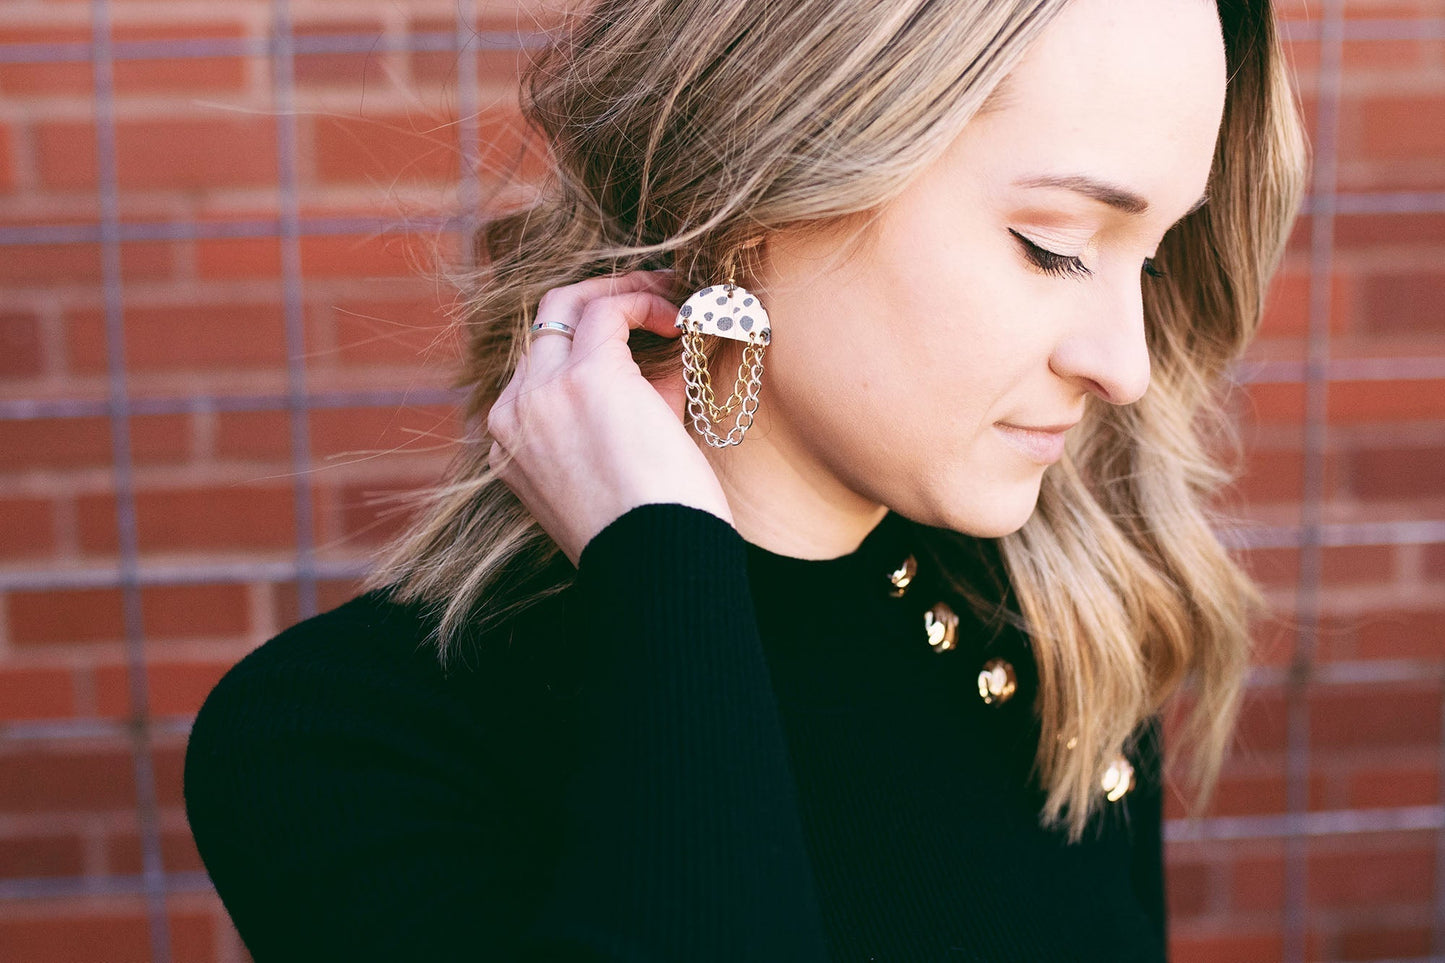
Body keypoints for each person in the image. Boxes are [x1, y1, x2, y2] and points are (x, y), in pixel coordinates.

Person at [182, 0, 1308, 959]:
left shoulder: (1058, 637)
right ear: (758, 186)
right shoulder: (343, 746)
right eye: (1052, 244)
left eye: (1151, 254)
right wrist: (669, 573)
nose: (1124, 363)